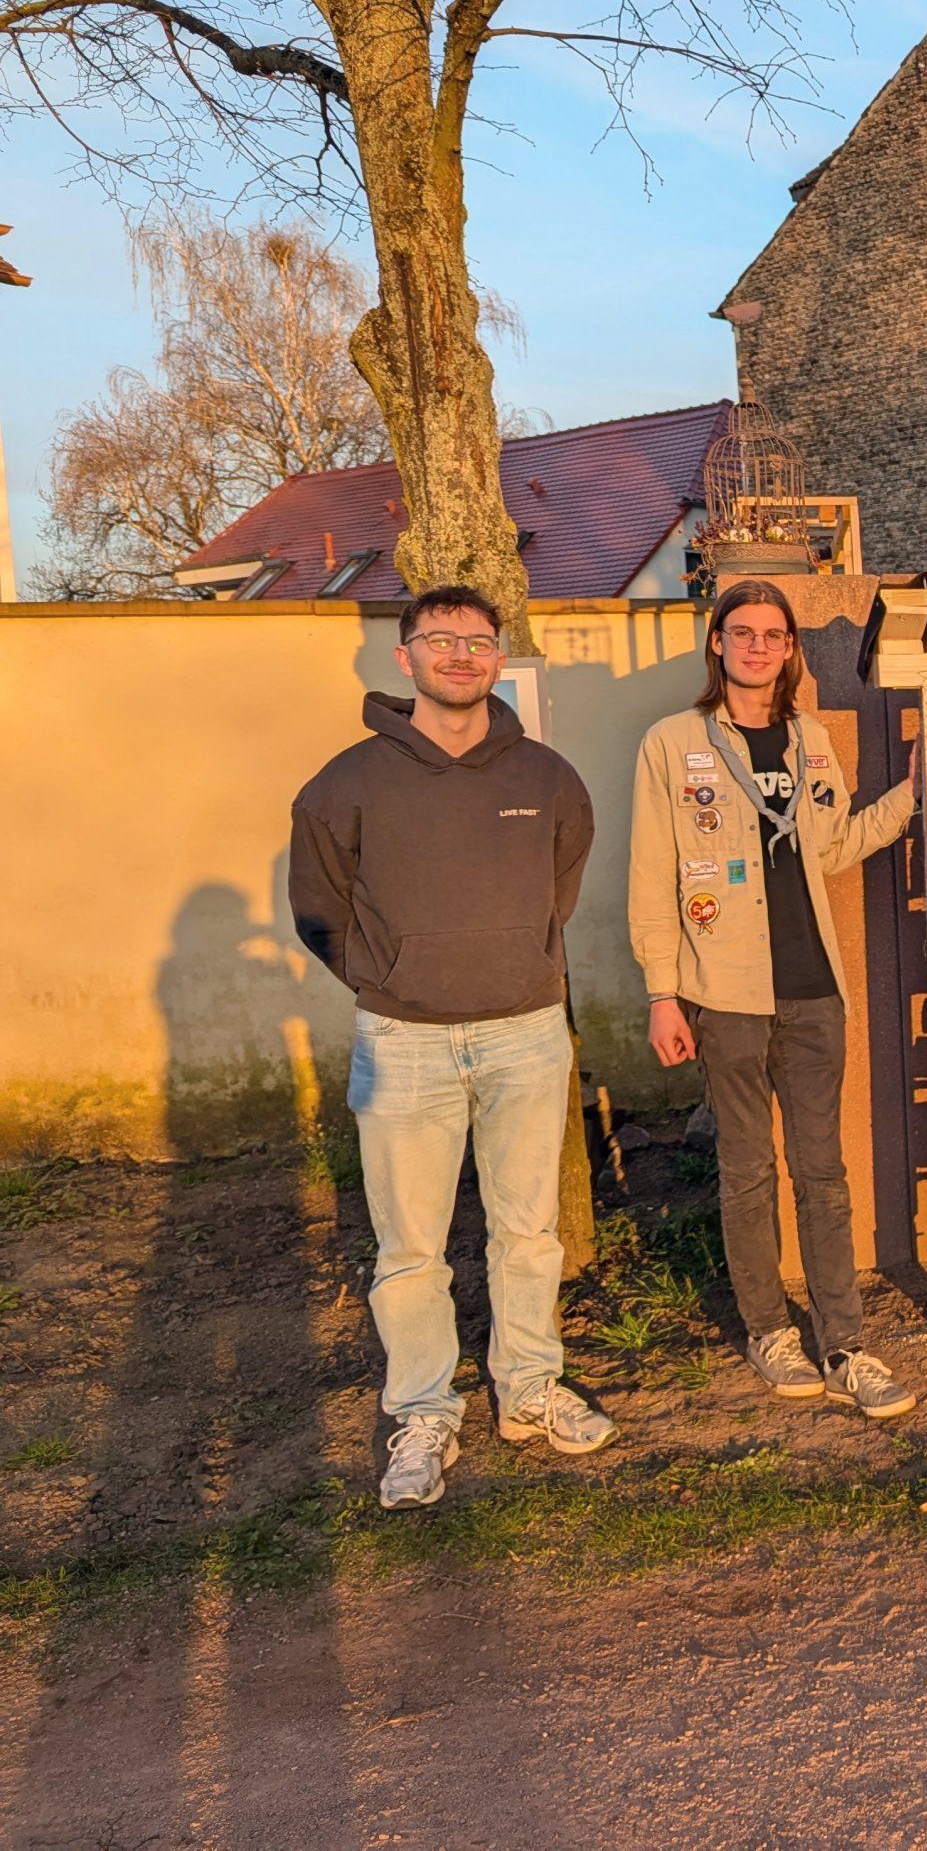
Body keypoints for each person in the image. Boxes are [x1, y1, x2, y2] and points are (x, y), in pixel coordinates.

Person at [290, 584, 616, 1512]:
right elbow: (318, 906)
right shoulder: (346, 783)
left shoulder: (547, 778)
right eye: (442, 641)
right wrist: (388, 975)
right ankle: (424, 1413)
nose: (461, 656)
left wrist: (515, 963)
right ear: (407, 658)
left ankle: (528, 1391)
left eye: (478, 642)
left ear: (497, 654)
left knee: (528, 1232)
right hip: (403, 1045)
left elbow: (560, 887)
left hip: (524, 1032)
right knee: (410, 1251)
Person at [629, 580, 921, 1417]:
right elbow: (651, 878)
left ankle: (847, 1345)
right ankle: (768, 1330)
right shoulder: (671, 743)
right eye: (742, 632)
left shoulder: (810, 741)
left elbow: (834, 849)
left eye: (774, 635)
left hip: (812, 990)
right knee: (747, 1170)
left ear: (791, 650)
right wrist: (662, 994)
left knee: (822, 1173)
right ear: (717, 644)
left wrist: (909, 795)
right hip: (724, 994)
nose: (759, 647)